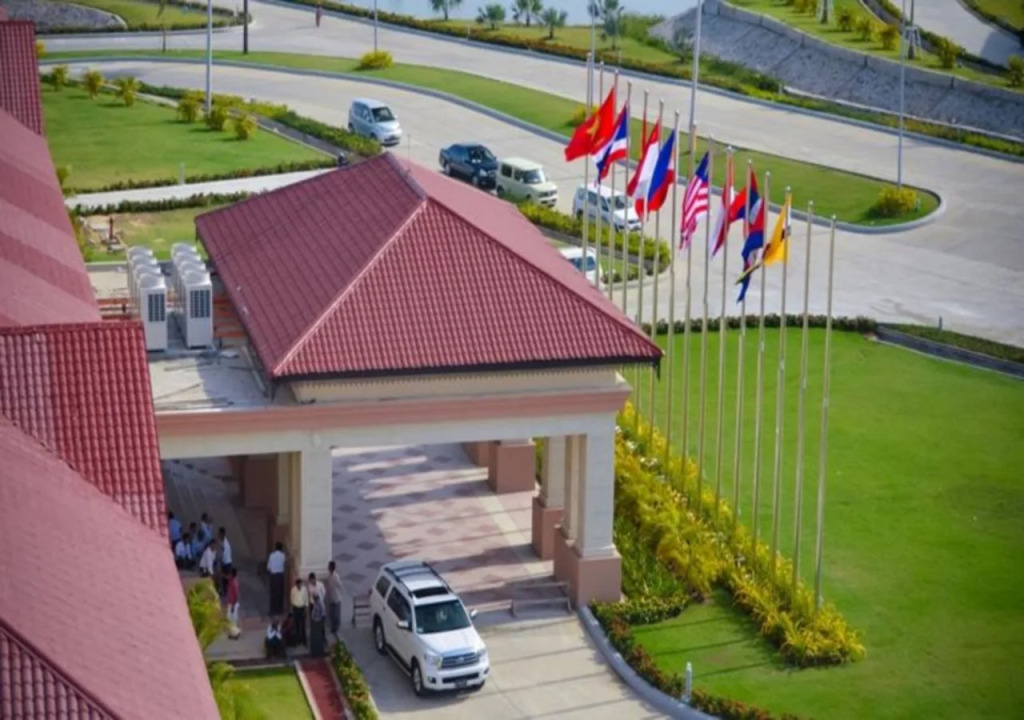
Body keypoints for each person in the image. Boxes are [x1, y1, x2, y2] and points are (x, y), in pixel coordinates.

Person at [266, 543, 287, 616]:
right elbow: (285, 562)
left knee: (273, 593)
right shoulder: (283, 555)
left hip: (273, 576)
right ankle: (279, 609)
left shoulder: (271, 555)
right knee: (280, 593)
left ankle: (273, 609)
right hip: (280, 576)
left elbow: (268, 567)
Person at [326, 561, 343, 637]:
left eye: (329, 567)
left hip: (336, 597)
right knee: (331, 614)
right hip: (331, 597)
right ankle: (333, 627)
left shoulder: (336, 576)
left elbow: (340, 585)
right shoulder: (329, 575)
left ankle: (336, 628)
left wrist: (336, 591)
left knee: (336, 614)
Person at [290, 578, 309, 647]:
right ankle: (298, 639)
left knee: (303, 625)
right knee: (297, 624)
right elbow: (291, 599)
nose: (299, 586)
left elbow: (306, 599)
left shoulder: (304, 589)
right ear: (296, 585)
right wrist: (293, 607)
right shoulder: (293, 590)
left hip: (302, 608)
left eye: (300, 584)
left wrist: (306, 609)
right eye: (298, 585)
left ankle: (304, 640)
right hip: (296, 608)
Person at [225, 567, 241, 637]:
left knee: (232, 619)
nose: (229, 574)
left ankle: (235, 633)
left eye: (230, 573)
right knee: (231, 618)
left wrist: (233, 606)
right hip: (231, 602)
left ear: (232, 574)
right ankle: (234, 632)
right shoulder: (231, 580)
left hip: (233, 603)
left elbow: (236, 595)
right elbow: (226, 577)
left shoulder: (234, 582)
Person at [218, 527, 233, 596]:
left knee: (225, 577)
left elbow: (224, 555)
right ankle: (225, 592)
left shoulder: (226, 544)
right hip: (225, 562)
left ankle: (226, 592)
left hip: (227, 563)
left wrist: (220, 559)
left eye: (219, 534)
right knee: (224, 579)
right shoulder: (222, 541)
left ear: (222, 534)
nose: (218, 535)